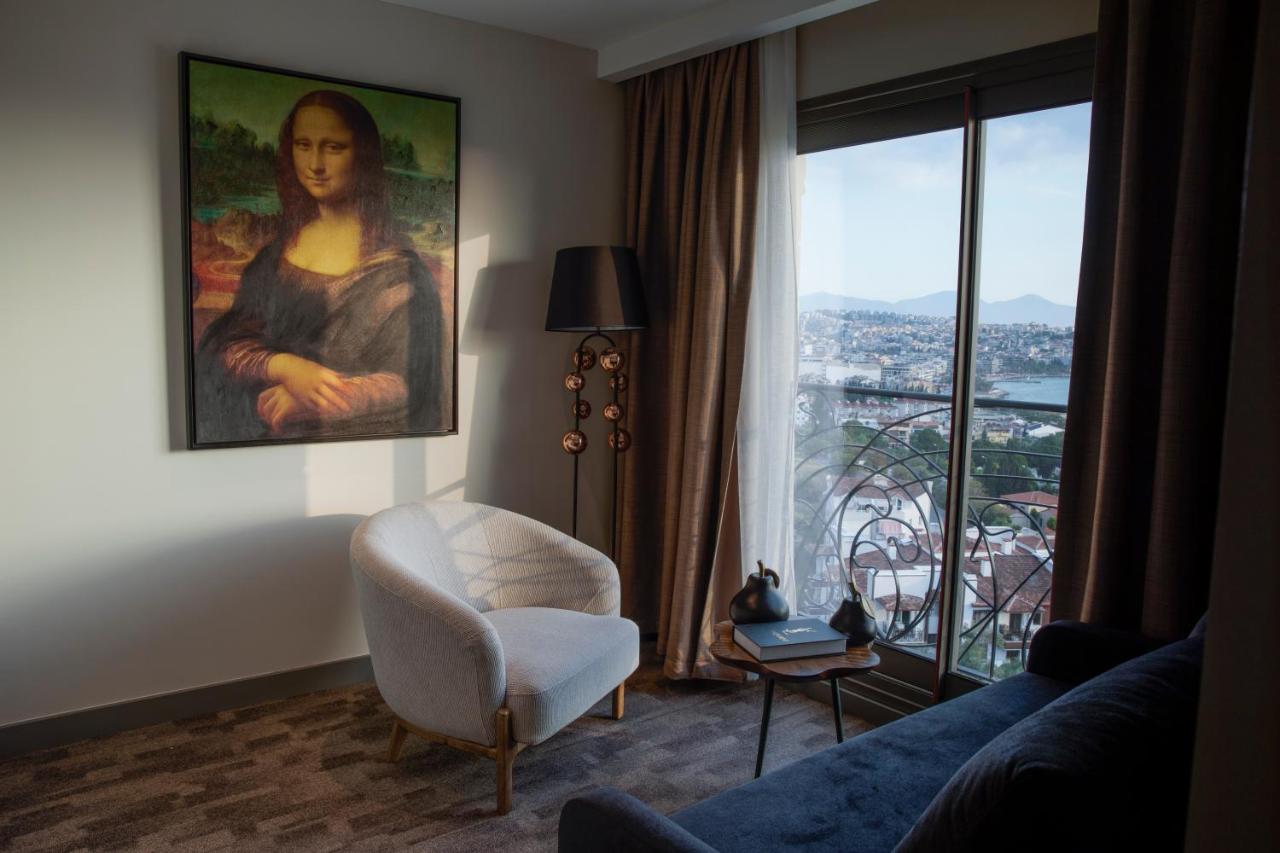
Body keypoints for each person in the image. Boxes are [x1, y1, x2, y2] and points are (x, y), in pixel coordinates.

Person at [195, 89, 444, 443]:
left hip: (361, 447)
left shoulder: (399, 272)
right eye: (303, 145)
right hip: (260, 446)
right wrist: (287, 368)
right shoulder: (275, 257)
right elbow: (228, 343)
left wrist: (316, 400)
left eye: (334, 147)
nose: (315, 164)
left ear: (363, 155)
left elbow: (413, 382)